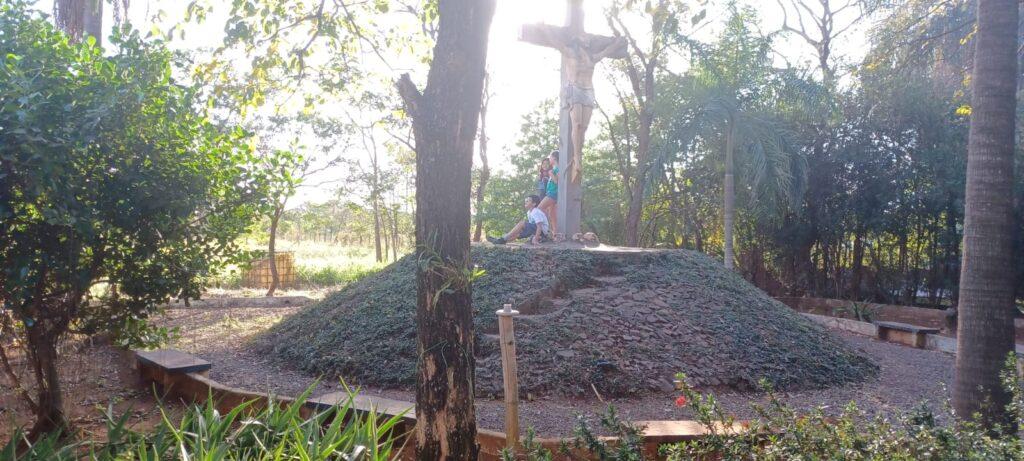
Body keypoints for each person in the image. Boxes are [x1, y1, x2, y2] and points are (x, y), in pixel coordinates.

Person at [538, 151, 559, 239]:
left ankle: (546, 229)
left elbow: (557, 182)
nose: (549, 159)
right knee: (552, 215)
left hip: (553, 193)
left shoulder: (557, 168)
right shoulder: (554, 168)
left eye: (550, 157)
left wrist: (551, 174)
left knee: (539, 208)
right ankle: (555, 234)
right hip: (550, 192)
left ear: (554, 158)